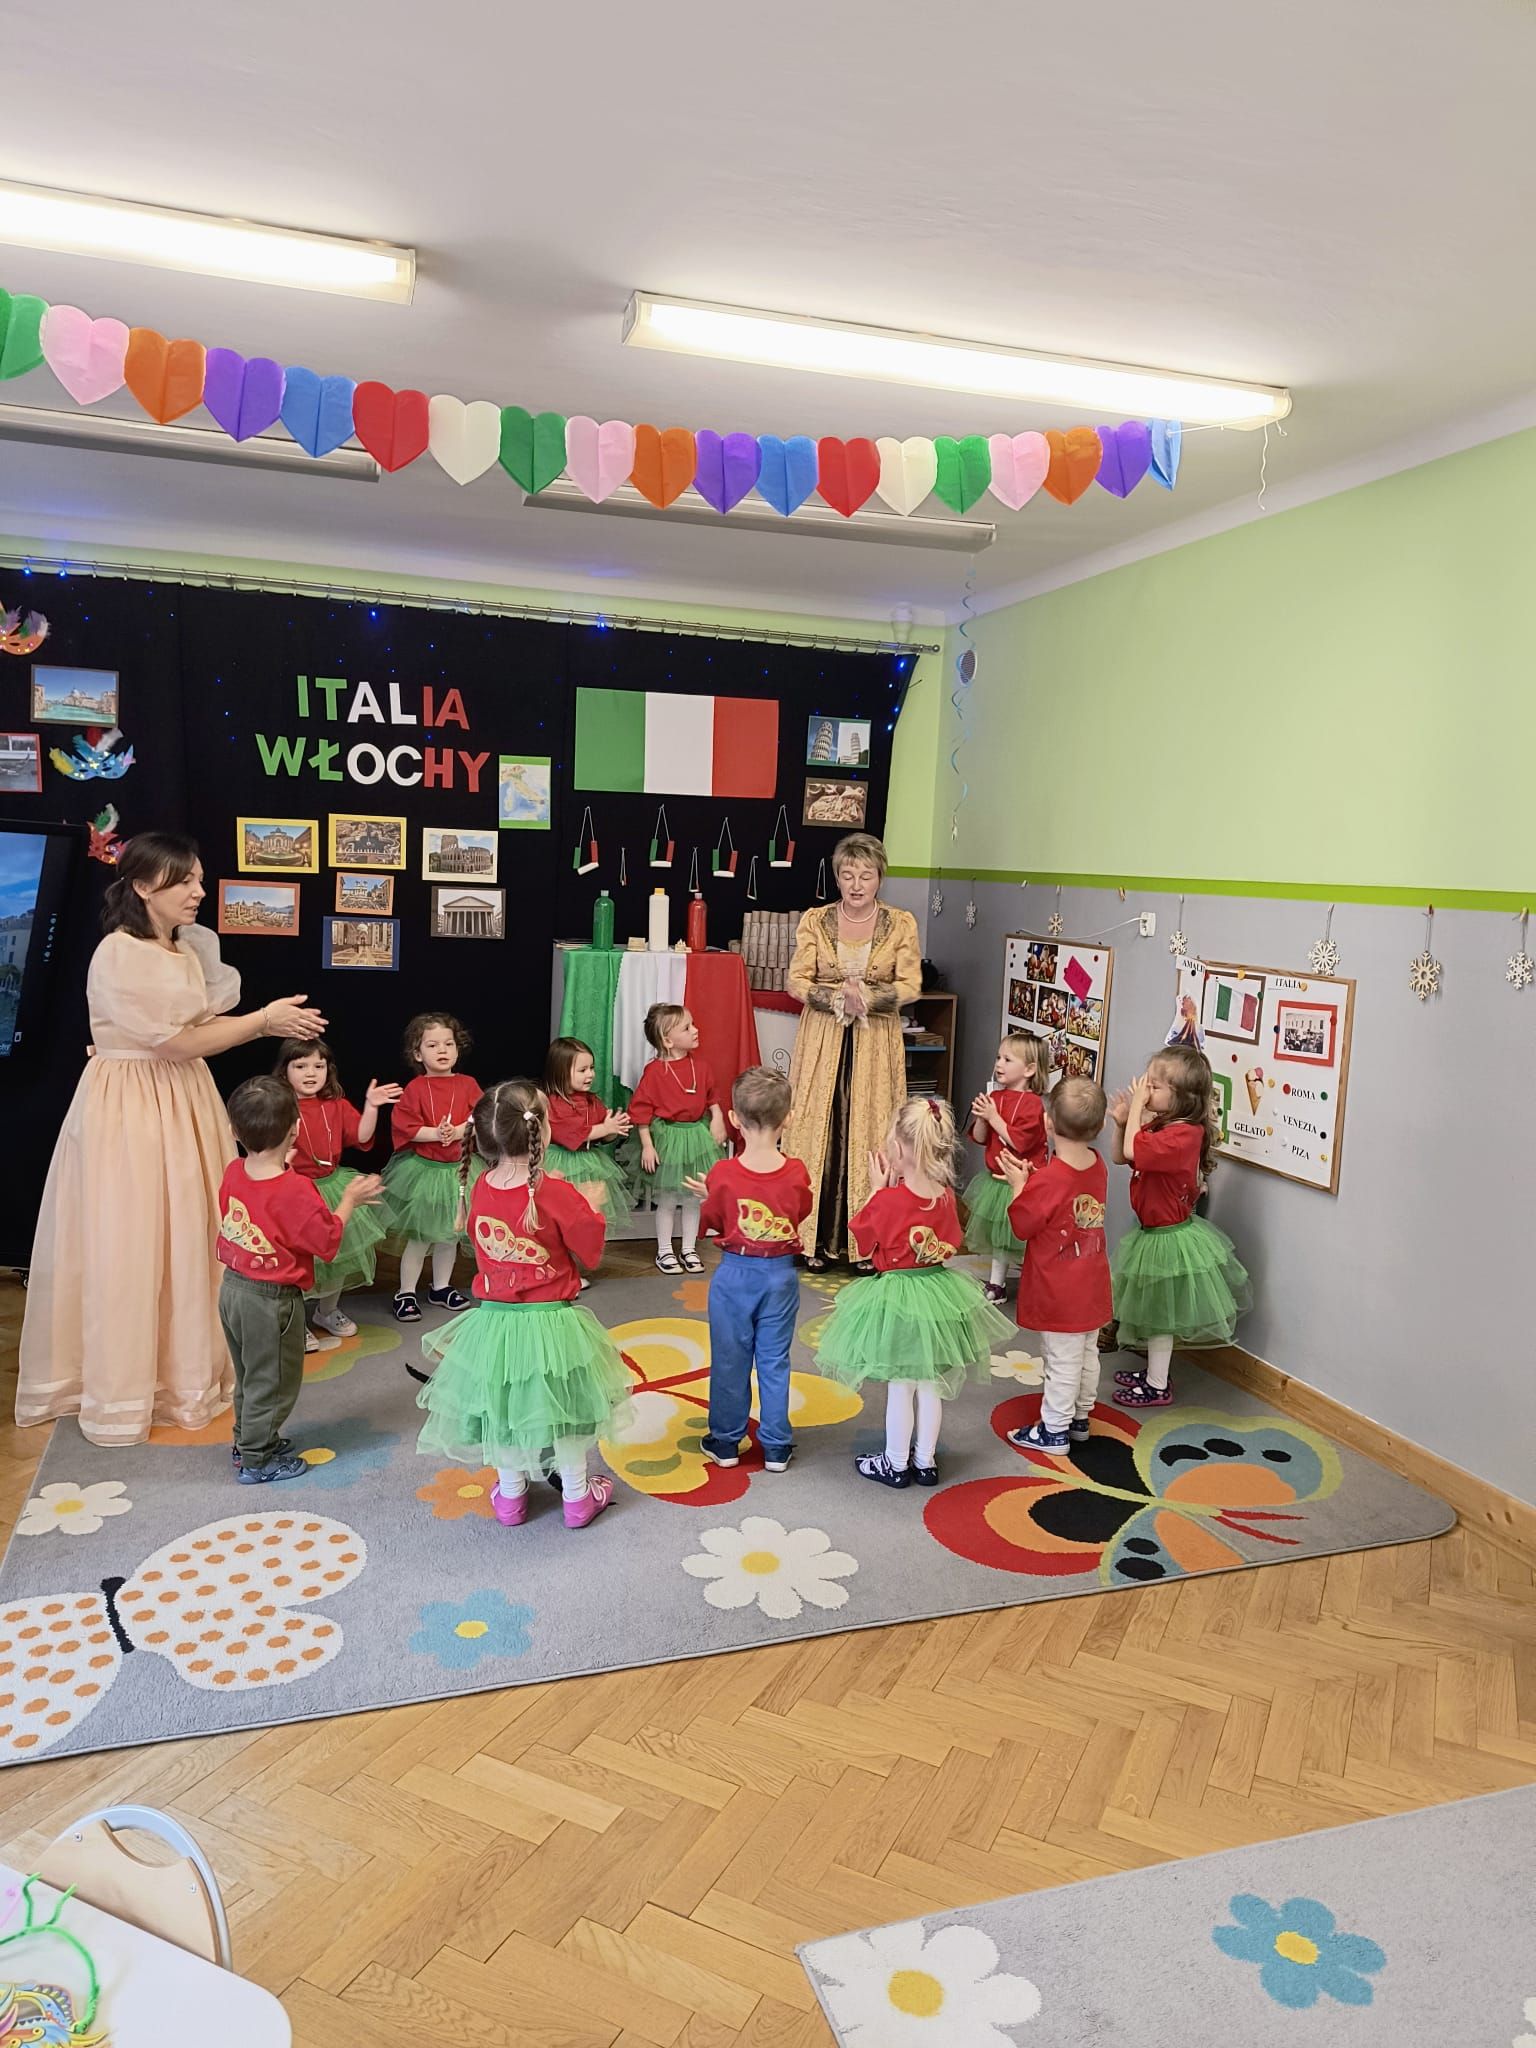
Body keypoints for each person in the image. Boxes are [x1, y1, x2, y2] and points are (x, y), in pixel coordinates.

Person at [16, 832, 326, 1446]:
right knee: (133, 1235)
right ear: (141, 886)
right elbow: (176, 1041)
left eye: (199, 879)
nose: (198, 891)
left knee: (189, 1229)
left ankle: (186, 1371)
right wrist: (262, 1022)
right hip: (134, 1103)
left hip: (181, 1095)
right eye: (184, 881)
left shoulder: (189, 946)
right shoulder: (120, 953)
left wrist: (260, 1021)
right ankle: (127, 1385)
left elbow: (195, 1028)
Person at [414, 1079, 630, 1529]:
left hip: (496, 1326)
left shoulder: (479, 1186)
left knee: (504, 1409)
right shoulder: (556, 1192)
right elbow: (589, 1252)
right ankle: (577, 1498)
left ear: (483, 1138)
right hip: (553, 1326)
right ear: (542, 1133)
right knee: (568, 1412)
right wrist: (590, 1207)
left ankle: (511, 1498)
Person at [816, 1098, 1012, 1489]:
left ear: (899, 1148)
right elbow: (950, 1245)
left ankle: (894, 1462)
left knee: (901, 1385)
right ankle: (925, 1461)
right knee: (930, 1384)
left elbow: (864, 1243)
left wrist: (877, 1191)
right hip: (939, 1294)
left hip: (898, 1299)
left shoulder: (888, 1200)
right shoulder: (946, 1196)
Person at [217, 1075, 383, 1483]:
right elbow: (326, 1241)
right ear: (295, 1130)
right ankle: (257, 1460)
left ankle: (249, 1441)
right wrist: (350, 1200)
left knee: (251, 1375)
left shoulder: (234, 1171)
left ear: (235, 1131)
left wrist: (281, 1164)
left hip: (233, 1289)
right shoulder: (295, 1188)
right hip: (271, 1300)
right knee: (274, 1381)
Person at [784, 833, 922, 1270]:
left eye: (866, 875)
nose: (857, 884)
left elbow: (912, 984)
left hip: (875, 1041)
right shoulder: (815, 920)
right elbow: (796, 980)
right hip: (822, 1038)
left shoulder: (900, 923)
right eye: (848, 875)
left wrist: (870, 999)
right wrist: (835, 998)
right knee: (818, 1128)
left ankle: (866, 1244)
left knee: (870, 1125)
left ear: (880, 877)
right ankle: (812, 1239)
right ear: (837, 877)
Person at [1108, 1044, 1252, 1408]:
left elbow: (1132, 1151)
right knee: (1156, 1312)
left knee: (1161, 1316)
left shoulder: (1184, 1135)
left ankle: (1157, 1385)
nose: (1146, 1090)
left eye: (1154, 1086)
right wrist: (1124, 1122)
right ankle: (1154, 1374)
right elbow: (1120, 1155)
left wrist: (1137, 1108)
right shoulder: (1164, 1125)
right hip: (1152, 1232)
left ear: (1182, 1097)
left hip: (1168, 1238)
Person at [684, 1067, 811, 1473]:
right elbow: (800, 1211)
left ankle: (725, 1442)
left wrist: (713, 1196)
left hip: (735, 1276)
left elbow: (715, 1221)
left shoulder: (722, 1174)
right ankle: (775, 1446)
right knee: (774, 1360)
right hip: (780, 1275)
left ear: (734, 1119)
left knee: (729, 1359)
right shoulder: (797, 1171)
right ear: (789, 1118)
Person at [999, 1077, 1112, 1456]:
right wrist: (1033, 1181)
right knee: (1087, 1354)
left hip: (1059, 1290)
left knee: (1061, 1360)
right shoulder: (1097, 1166)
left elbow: (1022, 1224)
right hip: (1092, 1283)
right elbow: (1066, 1194)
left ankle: (1054, 1430)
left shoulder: (1047, 1180)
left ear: (1047, 1122)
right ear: (1100, 1127)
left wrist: (1019, 1186)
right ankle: (1079, 1417)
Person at [274, 1038, 400, 1347]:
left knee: (340, 1255)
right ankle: (296, 1321)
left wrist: (372, 1106)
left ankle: (327, 1311)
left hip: (334, 1187)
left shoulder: (335, 1104)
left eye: (318, 1066)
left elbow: (361, 1135)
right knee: (300, 1261)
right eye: (301, 1066)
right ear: (284, 1070)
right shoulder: (278, 1107)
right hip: (297, 1191)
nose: (311, 1073)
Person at [384, 1012, 480, 1323]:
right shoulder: (415, 1088)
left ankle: (441, 1287)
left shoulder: (468, 1084)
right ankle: (406, 1292)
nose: (442, 1050)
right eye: (433, 1045)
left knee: (449, 1235)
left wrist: (459, 1130)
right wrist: (437, 1133)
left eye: (448, 1044)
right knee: (420, 1237)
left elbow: (479, 1118)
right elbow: (406, 1127)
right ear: (417, 1053)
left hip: (459, 1172)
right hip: (424, 1173)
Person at [626, 1004, 726, 1276]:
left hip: (696, 1139)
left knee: (693, 1198)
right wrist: (647, 1145)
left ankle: (689, 1249)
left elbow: (712, 1097)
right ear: (668, 1041)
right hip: (668, 1140)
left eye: (693, 1024)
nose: (695, 1030)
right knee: (668, 1199)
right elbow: (642, 1111)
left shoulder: (701, 1067)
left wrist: (717, 1118)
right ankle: (664, 1250)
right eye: (687, 1027)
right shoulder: (655, 1072)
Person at [963, 1032, 1050, 1303]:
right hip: (995, 1181)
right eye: (998, 1057)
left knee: (1024, 1236)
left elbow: (1018, 1142)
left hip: (1022, 1182)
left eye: (1007, 1059)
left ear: (1029, 1069)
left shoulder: (1033, 1104)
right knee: (999, 1239)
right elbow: (980, 1138)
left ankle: (1036, 1283)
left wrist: (993, 1117)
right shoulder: (996, 1097)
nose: (999, 1064)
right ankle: (996, 1283)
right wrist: (982, 1118)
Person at [543, 1036, 633, 1231]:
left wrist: (613, 1128)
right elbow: (573, 1134)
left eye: (592, 1068)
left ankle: (585, 1242)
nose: (590, 1074)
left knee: (592, 1210)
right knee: (562, 1211)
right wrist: (605, 1128)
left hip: (589, 1162)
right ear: (561, 1073)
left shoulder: (592, 1101)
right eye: (582, 1070)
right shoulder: (554, 1104)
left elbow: (603, 1136)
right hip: (561, 1162)